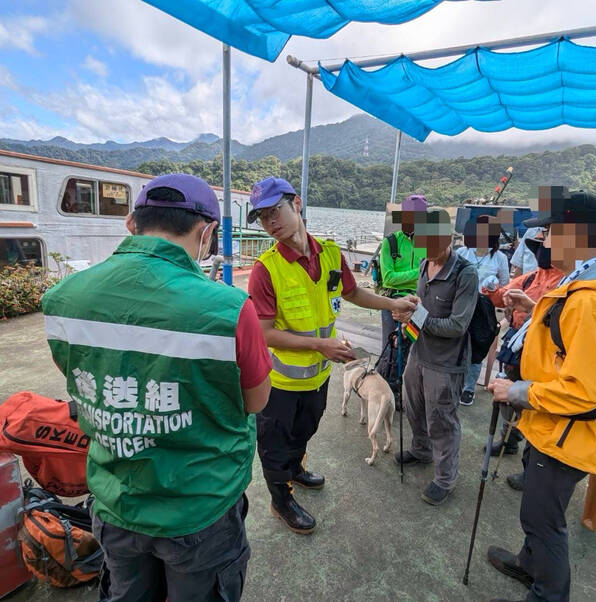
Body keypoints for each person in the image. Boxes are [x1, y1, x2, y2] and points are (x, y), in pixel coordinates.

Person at [42, 174, 272, 602]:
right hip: (200, 505)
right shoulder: (229, 309)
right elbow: (256, 400)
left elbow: (78, 379)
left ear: (132, 223)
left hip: (117, 500)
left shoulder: (62, 298)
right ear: (206, 234)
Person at [486, 188, 596, 602]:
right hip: (548, 425)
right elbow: (568, 346)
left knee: (543, 522)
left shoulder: (592, 302)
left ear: (575, 234)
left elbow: (585, 390)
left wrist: (518, 391)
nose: (542, 241)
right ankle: (529, 566)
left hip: (565, 434)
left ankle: (547, 594)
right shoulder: (585, 281)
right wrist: (534, 308)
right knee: (536, 513)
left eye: (548, 232)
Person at [247, 177, 416, 534]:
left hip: (320, 375)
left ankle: (295, 471)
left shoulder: (329, 252)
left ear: (296, 203)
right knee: (276, 444)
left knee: (305, 429)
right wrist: (321, 345)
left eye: (274, 211)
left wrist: (393, 303)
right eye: (262, 217)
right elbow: (263, 333)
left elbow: (353, 293)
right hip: (279, 382)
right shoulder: (266, 269)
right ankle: (281, 500)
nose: (270, 222)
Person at [392, 207, 478, 505]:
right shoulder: (424, 265)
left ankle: (445, 478)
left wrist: (415, 317)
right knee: (414, 407)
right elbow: (424, 307)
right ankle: (421, 450)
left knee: (442, 419)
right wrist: (408, 325)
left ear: (448, 239)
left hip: (446, 362)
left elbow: (457, 325)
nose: (426, 251)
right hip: (419, 352)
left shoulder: (466, 273)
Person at [481, 229, 564, 465]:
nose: (542, 252)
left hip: (544, 351)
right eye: (538, 248)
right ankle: (510, 439)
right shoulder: (529, 278)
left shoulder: (567, 282)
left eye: (545, 247)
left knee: (537, 403)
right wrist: (491, 290)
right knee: (508, 394)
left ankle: (533, 459)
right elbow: (500, 297)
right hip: (516, 345)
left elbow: (563, 319)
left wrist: (532, 307)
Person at [456, 214, 509, 406]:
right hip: (461, 304)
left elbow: (505, 286)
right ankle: (456, 382)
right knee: (456, 345)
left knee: (477, 349)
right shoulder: (462, 252)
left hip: (484, 309)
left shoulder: (500, 258)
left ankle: (469, 388)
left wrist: (494, 289)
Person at [378, 194, 428, 346]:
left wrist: (423, 272)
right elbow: (388, 278)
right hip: (392, 302)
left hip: (420, 304)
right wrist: (420, 271)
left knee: (415, 348)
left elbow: (433, 275)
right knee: (390, 348)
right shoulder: (390, 241)